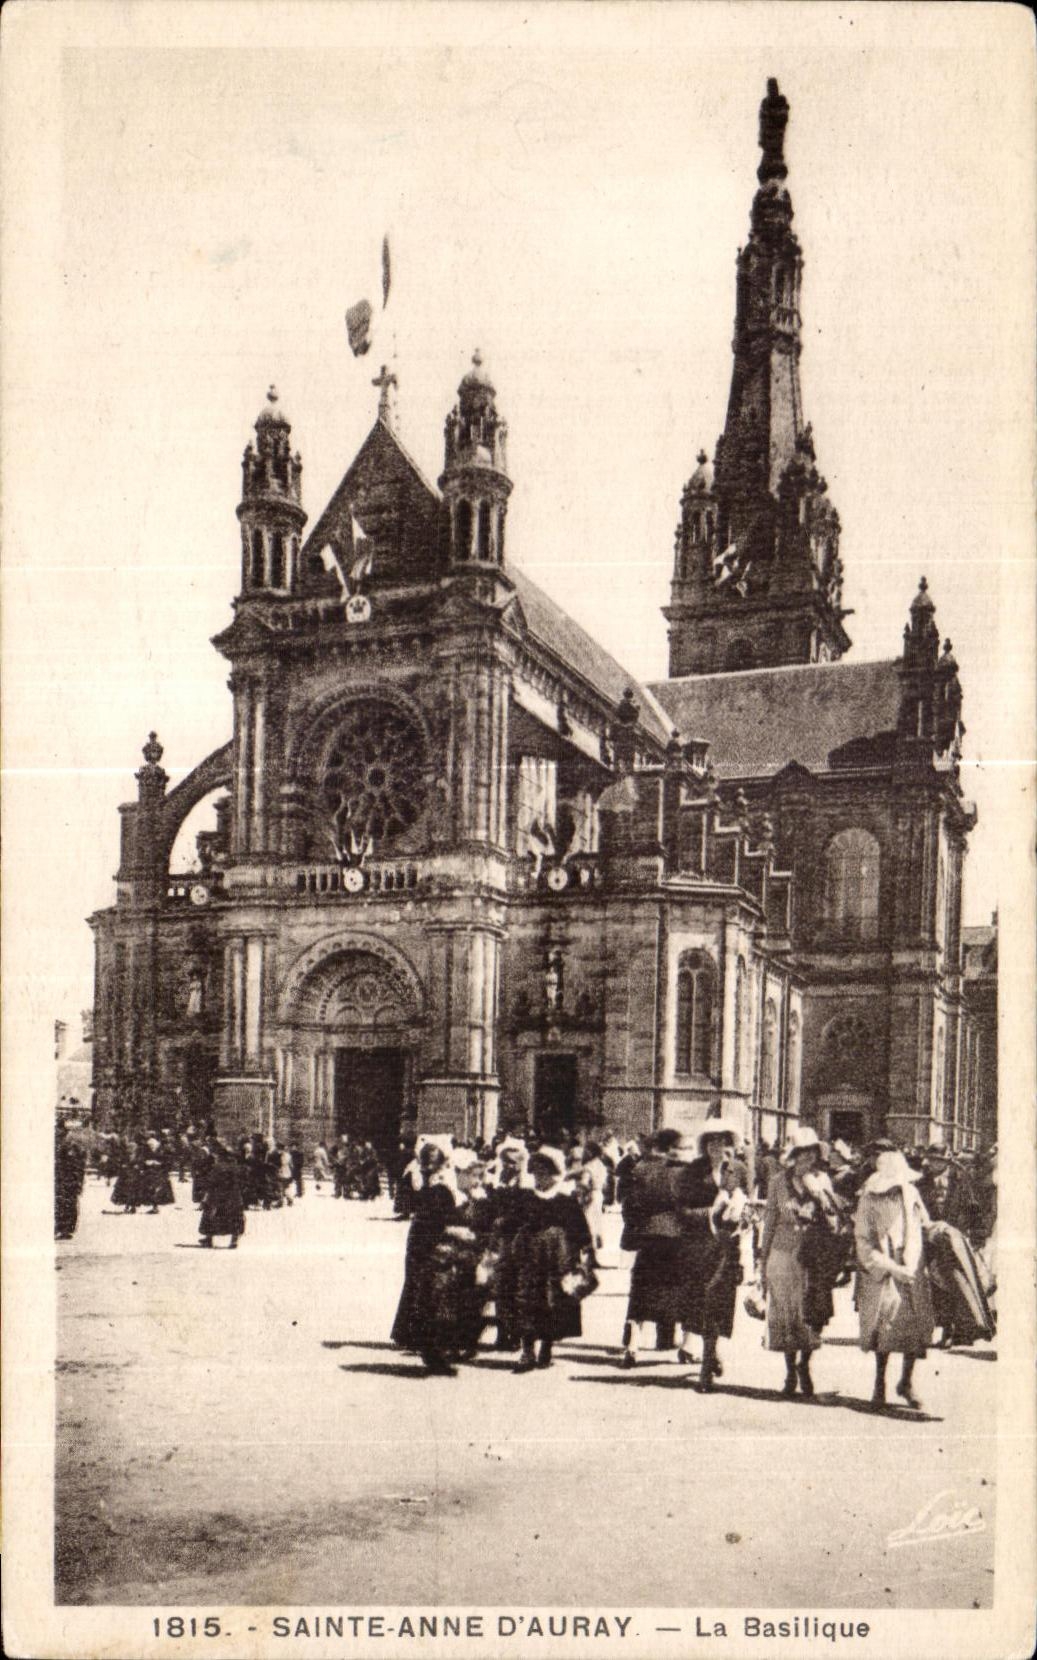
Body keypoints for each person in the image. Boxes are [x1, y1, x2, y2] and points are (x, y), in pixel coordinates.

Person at [758, 1125, 844, 1398]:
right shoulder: (777, 1182)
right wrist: (761, 1258)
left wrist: (820, 1195)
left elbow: (834, 1218)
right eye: (802, 1153)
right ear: (793, 1155)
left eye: (812, 1153)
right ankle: (789, 1371)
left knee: (811, 1314)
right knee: (786, 1314)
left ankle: (805, 1364)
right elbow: (770, 1220)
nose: (807, 1159)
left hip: (814, 1256)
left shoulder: (823, 1180)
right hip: (783, 1254)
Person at [854, 1144, 934, 1410]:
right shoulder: (868, 1198)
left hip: (912, 1264)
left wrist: (935, 1234)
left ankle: (906, 1382)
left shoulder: (911, 1193)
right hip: (884, 1268)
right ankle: (880, 1383)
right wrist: (888, 1265)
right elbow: (863, 1241)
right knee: (884, 1325)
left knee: (913, 1325)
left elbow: (924, 1222)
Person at [506, 1147, 595, 1372]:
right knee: (527, 1302)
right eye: (536, 1173)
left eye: (545, 1174)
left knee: (552, 1303)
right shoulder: (525, 1198)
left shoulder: (566, 1201)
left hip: (559, 1261)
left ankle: (546, 1345)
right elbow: (511, 1224)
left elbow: (581, 1232)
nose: (540, 1179)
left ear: (555, 1175)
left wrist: (584, 1256)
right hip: (529, 1259)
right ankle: (527, 1351)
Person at [676, 1121, 748, 1392]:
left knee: (718, 1305)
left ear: (729, 1144)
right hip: (700, 1249)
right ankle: (708, 1359)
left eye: (721, 1142)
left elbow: (748, 1206)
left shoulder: (738, 1170)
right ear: (704, 1145)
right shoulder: (692, 1172)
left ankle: (707, 1362)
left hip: (728, 1250)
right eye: (711, 1142)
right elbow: (681, 1211)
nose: (716, 1147)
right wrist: (711, 1212)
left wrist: (741, 1214)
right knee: (701, 1305)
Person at [391, 1140, 465, 1374]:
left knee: (429, 1296)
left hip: (427, 1244)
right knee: (430, 1296)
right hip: (427, 1245)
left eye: (431, 1163)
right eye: (426, 1162)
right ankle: (432, 1352)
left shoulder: (436, 1185)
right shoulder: (434, 1186)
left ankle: (430, 1350)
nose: (428, 1167)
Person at [619, 1128, 686, 1366]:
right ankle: (667, 1338)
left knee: (642, 1289)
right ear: (673, 1147)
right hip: (676, 1237)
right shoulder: (682, 1172)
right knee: (675, 1289)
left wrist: (637, 1229)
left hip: (648, 1237)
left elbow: (628, 1206)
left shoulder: (640, 1169)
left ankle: (632, 1343)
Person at [197, 1141, 246, 1248]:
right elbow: (243, 1182)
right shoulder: (237, 1167)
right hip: (234, 1196)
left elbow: (211, 1182)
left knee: (211, 1216)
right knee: (235, 1218)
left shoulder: (217, 1167)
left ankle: (208, 1239)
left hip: (217, 1196)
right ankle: (234, 1240)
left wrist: (205, 1198)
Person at [55, 1124, 87, 1239]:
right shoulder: (65, 1145)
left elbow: (76, 1166)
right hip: (67, 1179)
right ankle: (64, 1229)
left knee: (65, 1204)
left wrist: (77, 1181)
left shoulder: (68, 1146)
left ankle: (64, 1229)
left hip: (67, 1179)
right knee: (66, 1204)